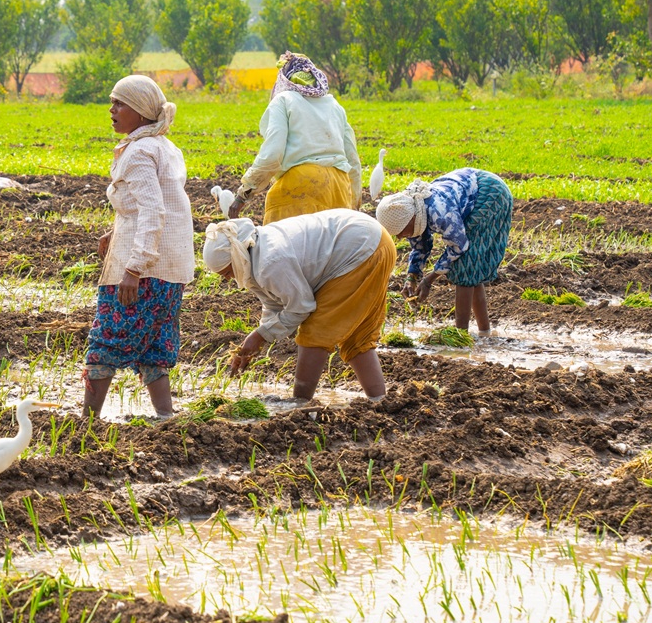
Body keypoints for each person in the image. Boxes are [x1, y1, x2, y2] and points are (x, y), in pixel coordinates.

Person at [83, 75, 195, 418]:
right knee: (156, 344)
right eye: (113, 102)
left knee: (106, 341)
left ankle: (86, 422)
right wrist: (114, 231)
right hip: (172, 268)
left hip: (144, 269)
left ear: (142, 112)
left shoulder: (138, 152)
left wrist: (134, 268)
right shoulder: (165, 147)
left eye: (120, 104)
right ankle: (166, 416)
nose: (111, 110)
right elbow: (155, 204)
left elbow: (153, 210)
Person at [202, 210, 395, 402]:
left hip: (360, 249)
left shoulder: (270, 262)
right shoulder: (253, 254)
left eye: (227, 272)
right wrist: (258, 339)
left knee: (315, 332)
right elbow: (274, 303)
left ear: (235, 257)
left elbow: (301, 307)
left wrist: (260, 336)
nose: (228, 279)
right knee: (358, 338)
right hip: (376, 241)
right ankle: (379, 401)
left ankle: (299, 405)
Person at [375, 168, 513, 336]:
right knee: (470, 270)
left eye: (401, 232)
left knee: (466, 266)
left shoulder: (440, 212)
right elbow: (420, 247)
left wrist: (428, 280)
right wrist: (412, 278)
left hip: (490, 192)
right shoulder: (414, 213)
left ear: (411, 219)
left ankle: (460, 336)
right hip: (471, 190)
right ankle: (485, 333)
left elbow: (458, 246)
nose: (401, 237)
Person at [228, 52, 362, 224]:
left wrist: (244, 193)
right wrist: (354, 204)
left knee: (285, 247)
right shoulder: (334, 105)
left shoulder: (283, 100)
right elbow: (353, 161)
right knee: (331, 249)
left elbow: (272, 155)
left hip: (301, 184)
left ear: (284, 79)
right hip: (339, 186)